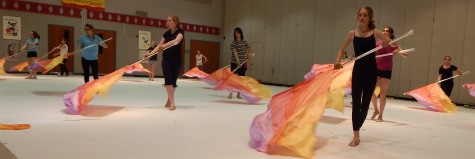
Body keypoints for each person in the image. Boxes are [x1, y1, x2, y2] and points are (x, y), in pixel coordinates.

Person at [334, 6, 391, 147]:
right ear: (357, 17)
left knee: (365, 106)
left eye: (365, 15)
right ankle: (356, 135)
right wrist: (337, 61)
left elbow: (387, 41)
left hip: (371, 73)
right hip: (358, 72)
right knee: (356, 105)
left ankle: (357, 127)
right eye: (360, 15)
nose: (362, 17)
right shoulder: (352, 34)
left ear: (369, 17)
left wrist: (385, 42)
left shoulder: (374, 32)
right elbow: (342, 49)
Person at [370, 26, 409, 122]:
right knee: (370, 91)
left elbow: (406, 55)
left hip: (386, 70)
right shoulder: (378, 44)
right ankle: (375, 109)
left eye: (387, 31)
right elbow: (371, 55)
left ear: (391, 34)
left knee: (383, 93)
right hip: (376, 69)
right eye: (383, 30)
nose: (384, 32)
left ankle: (381, 115)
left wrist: (399, 52)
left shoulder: (394, 44)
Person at [150, 15, 184, 111]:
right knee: (168, 79)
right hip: (166, 60)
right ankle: (172, 103)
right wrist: (150, 54)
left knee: (173, 81)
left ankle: (169, 99)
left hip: (177, 60)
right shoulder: (166, 34)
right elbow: (159, 46)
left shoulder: (180, 32)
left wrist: (163, 46)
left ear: (175, 22)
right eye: (167, 21)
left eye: (169, 21)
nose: (167, 22)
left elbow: (176, 41)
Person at [229, 27, 250, 99]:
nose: (237, 34)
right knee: (232, 79)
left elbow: (249, 50)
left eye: (238, 33)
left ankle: (238, 94)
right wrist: (238, 62)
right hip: (235, 63)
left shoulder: (245, 42)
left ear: (241, 33)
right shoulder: (233, 43)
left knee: (241, 80)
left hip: (243, 63)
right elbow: (235, 52)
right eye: (235, 33)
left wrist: (247, 55)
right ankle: (230, 93)